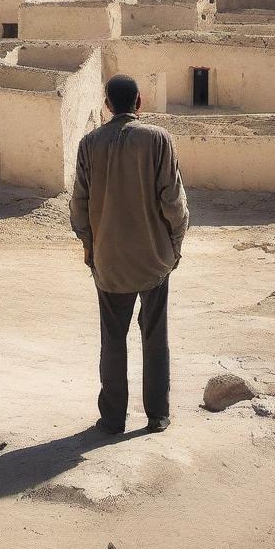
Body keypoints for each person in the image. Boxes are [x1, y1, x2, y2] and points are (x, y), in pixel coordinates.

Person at [70, 74, 189, 434]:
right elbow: (174, 201)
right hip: (154, 259)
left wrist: (89, 247)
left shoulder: (89, 144)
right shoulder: (157, 139)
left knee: (112, 339)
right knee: (155, 337)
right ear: (139, 101)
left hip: (109, 262)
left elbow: (79, 203)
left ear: (107, 105)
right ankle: (158, 414)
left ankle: (112, 419)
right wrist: (176, 246)